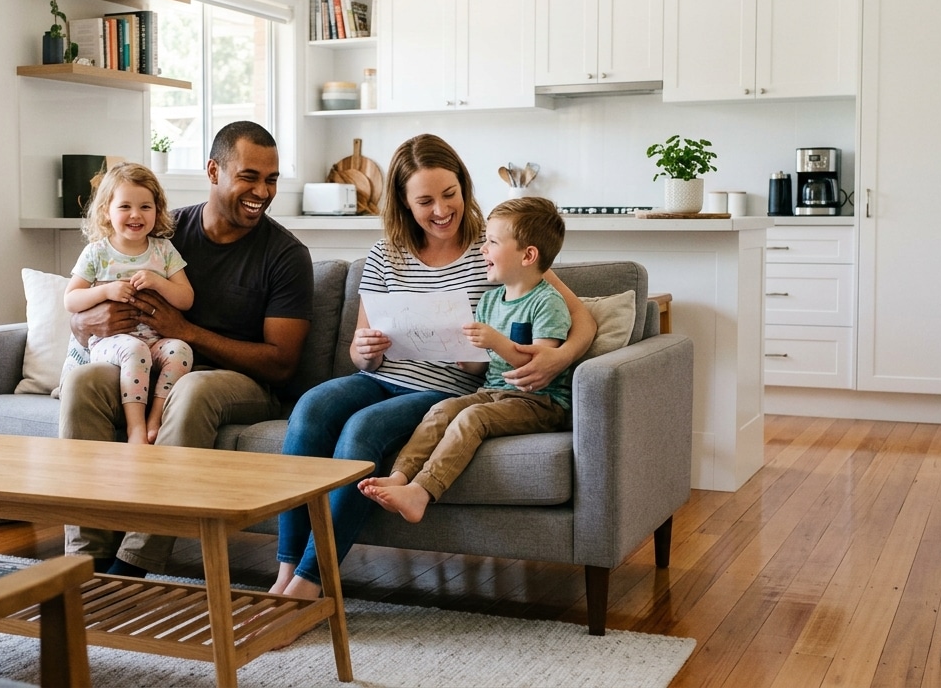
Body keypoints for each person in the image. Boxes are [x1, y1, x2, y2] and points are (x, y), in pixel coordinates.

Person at [269, 134, 598, 602]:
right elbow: (361, 358)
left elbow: (579, 316)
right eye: (425, 200)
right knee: (310, 408)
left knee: (362, 430)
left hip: (442, 390)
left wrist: (558, 358)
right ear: (403, 203)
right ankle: (284, 568)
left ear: (464, 187)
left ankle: (311, 580)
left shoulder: (493, 248)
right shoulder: (385, 253)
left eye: (450, 194)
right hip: (380, 377)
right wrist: (364, 349)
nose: (442, 210)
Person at [60, 121, 313, 577]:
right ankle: (86, 557)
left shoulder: (285, 256)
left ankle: (135, 561)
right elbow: (90, 301)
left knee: (194, 389)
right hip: (150, 364)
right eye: (249, 176)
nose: (263, 190)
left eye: (272, 179)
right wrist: (85, 321)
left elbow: (281, 363)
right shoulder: (164, 234)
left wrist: (188, 332)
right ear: (214, 171)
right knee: (83, 381)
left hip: (240, 382)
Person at [358, 196, 573, 523]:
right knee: (442, 409)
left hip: (539, 401)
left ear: (528, 255)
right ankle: (400, 477)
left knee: (473, 418)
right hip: (493, 391)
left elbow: (534, 368)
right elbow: (483, 365)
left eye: (492, 242)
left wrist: (495, 341)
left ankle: (423, 491)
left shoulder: (547, 303)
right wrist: (465, 357)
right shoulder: (490, 301)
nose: (483, 249)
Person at [63, 162, 195, 445]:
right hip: (111, 343)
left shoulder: (163, 250)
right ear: (106, 212)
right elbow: (71, 300)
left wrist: (159, 281)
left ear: (157, 210)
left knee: (181, 350)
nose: (136, 214)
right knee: (134, 349)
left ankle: (155, 416)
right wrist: (106, 291)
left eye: (145, 207)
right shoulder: (97, 253)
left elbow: (186, 299)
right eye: (125, 207)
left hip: (155, 342)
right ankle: (136, 428)